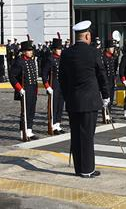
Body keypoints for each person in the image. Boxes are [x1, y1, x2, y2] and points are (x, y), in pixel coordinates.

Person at [59, 20, 109, 178]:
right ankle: (87, 169)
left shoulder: (67, 53)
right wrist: (106, 95)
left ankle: (79, 168)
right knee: (87, 136)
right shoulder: (93, 52)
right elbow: (102, 75)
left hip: (73, 101)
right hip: (90, 101)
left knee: (76, 135)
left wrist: (68, 96)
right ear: (87, 35)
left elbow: (62, 78)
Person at [9, 36, 39, 141]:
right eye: (29, 50)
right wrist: (19, 88)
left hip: (32, 89)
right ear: (24, 51)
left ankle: (29, 130)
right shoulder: (19, 62)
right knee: (24, 111)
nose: (31, 52)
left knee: (31, 110)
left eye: (31, 50)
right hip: (24, 89)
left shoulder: (31, 61)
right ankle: (23, 132)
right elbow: (12, 77)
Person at [42, 37, 65, 134]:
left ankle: (57, 124)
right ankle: (52, 125)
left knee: (60, 105)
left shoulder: (62, 58)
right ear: (54, 49)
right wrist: (47, 86)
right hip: (54, 85)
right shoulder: (50, 59)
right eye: (58, 49)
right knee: (54, 106)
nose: (60, 50)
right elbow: (44, 74)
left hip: (61, 85)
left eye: (61, 49)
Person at [102, 39, 118, 109]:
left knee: (111, 98)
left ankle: (109, 114)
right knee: (106, 99)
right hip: (106, 81)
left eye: (113, 47)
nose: (113, 49)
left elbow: (113, 71)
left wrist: (114, 79)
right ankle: (105, 114)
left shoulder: (112, 58)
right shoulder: (103, 58)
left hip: (111, 81)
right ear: (107, 48)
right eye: (111, 47)